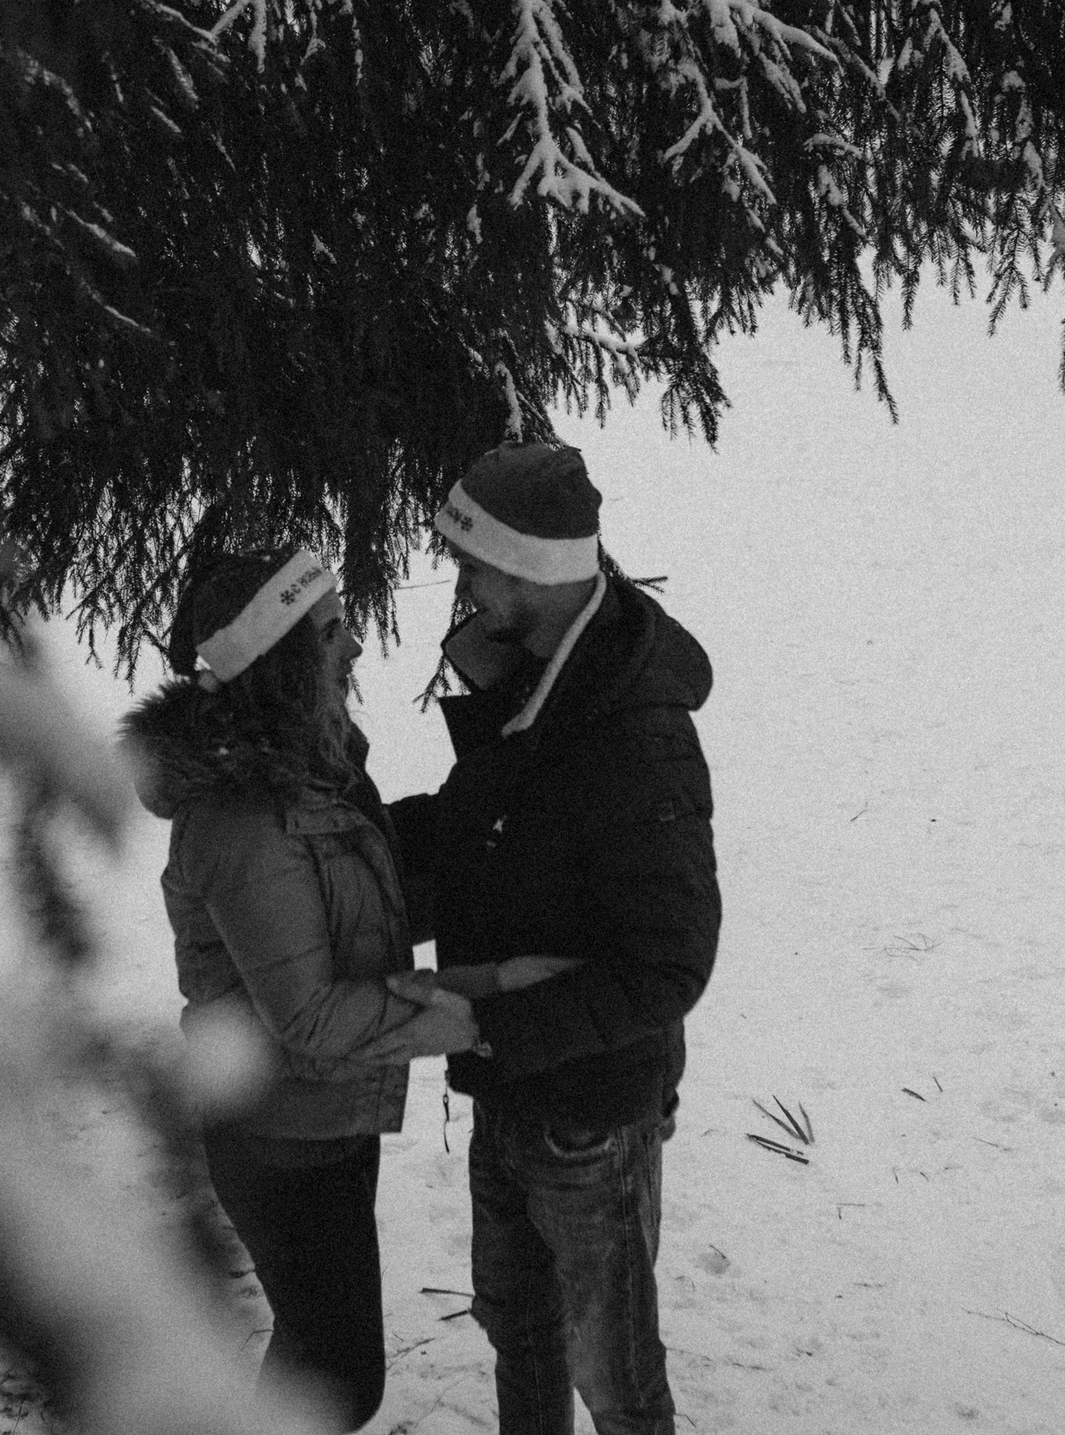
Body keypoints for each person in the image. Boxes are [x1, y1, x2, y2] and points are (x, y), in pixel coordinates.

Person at [368, 441, 720, 1435]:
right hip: (512, 1086)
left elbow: (668, 965)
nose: (462, 587)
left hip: (588, 1119)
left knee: (616, 1381)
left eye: (473, 566)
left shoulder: (633, 737)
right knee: (518, 1332)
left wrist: (486, 1024)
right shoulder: (533, 684)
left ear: (530, 569)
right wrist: (341, 847)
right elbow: (474, 830)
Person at [124, 546, 477, 1432]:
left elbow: (351, 901)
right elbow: (312, 1014)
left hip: (317, 1120)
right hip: (278, 1136)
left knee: (318, 1364)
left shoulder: (311, 767)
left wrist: (482, 825)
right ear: (282, 661)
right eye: (331, 632)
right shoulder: (246, 818)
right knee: (336, 1381)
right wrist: (463, 1014)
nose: (354, 646)